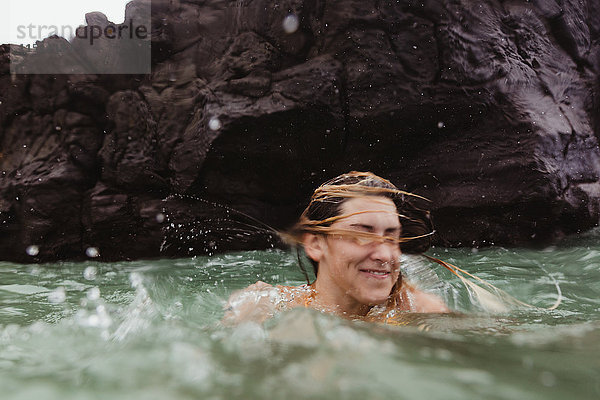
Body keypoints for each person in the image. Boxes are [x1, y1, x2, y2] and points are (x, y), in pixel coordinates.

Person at [223, 171, 449, 325]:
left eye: (391, 237)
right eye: (361, 235)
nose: (384, 255)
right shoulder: (261, 307)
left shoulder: (422, 312)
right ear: (315, 244)